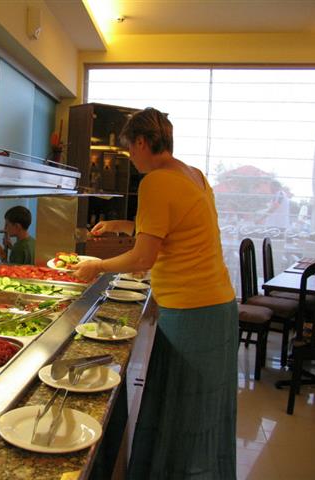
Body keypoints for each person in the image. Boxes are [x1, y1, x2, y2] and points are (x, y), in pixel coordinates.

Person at [72, 108, 237, 479]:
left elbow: (143, 257)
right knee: (203, 410)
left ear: (143, 142)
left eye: (131, 149)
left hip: (191, 310)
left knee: (182, 410)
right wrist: (118, 224)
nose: (131, 158)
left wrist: (96, 265)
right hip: (218, 305)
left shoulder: (156, 181)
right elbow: (170, 226)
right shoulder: (192, 174)